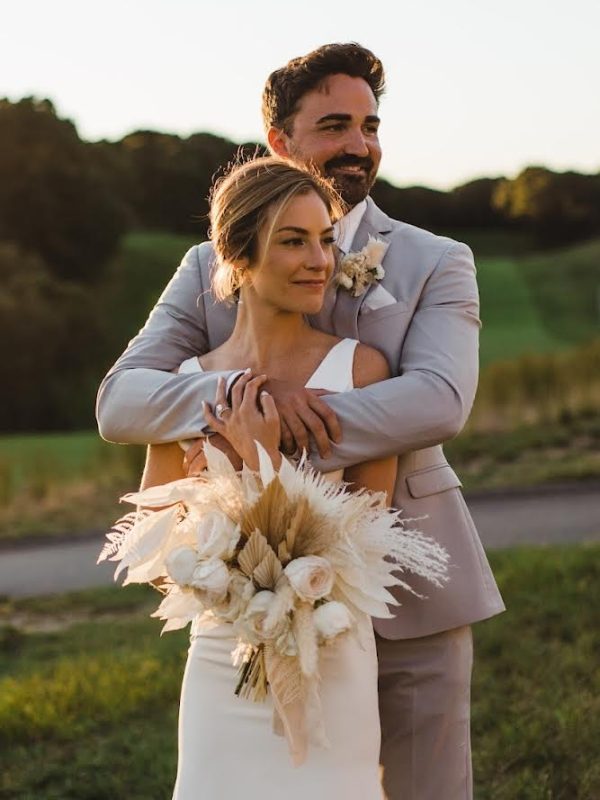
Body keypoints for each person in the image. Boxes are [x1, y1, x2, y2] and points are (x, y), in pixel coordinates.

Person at [97, 43, 505, 800]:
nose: (359, 143)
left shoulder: (438, 259)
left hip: (410, 586)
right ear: (281, 142)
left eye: (371, 125)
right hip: (248, 613)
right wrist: (231, 409)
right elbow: (122, 401)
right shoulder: (210, 264)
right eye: (335, 125)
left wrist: (281, 432)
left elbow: (440, 402)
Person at [141, 156, 394, 798]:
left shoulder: (362, 372)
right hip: (218, 658)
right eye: (293, 241)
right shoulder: (187, 382)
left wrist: (256, 466)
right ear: (238, 253)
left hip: (330, 657)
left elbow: (363, 547)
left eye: (326, 240)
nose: (320, 260)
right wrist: (202, 508)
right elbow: (155, 535)